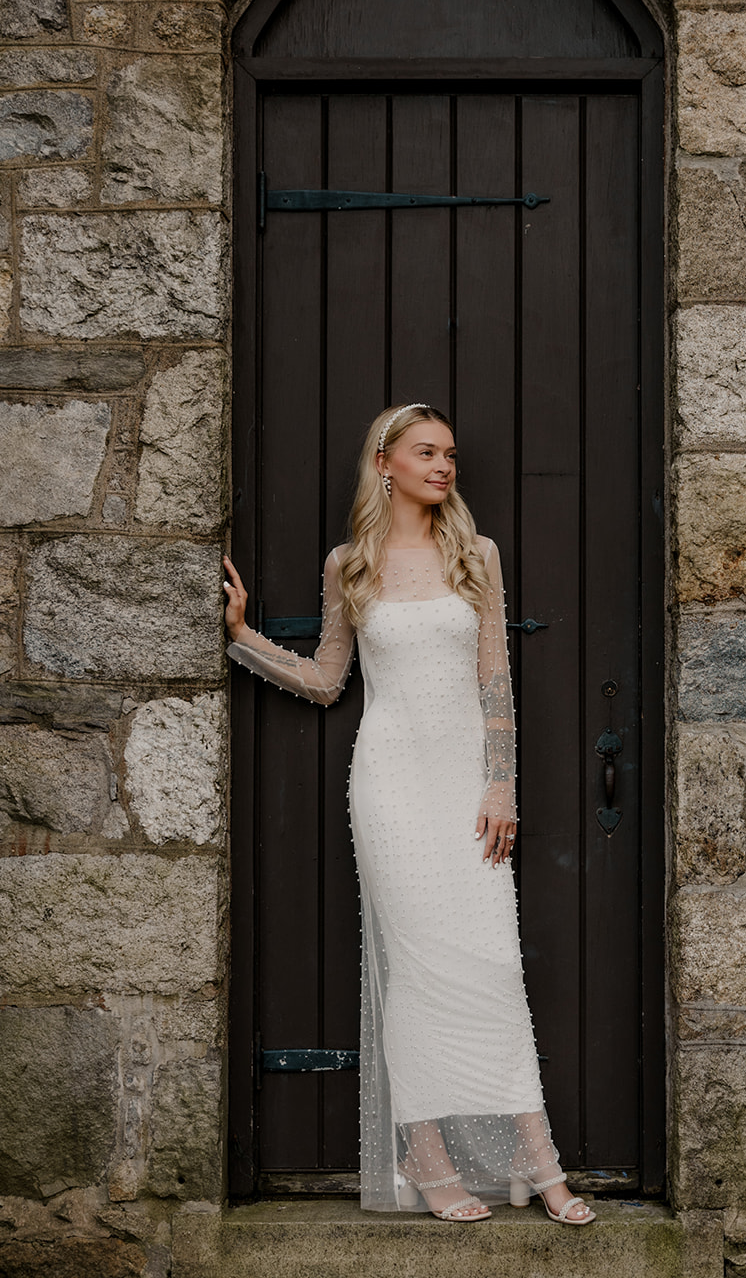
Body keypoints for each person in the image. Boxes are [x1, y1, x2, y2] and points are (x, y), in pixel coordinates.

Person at [223, 402, 595, 1227]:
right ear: (383, 462)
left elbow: (495, 682)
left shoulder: (476, 555)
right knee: (413, 970)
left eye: (451, 454)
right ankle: (427, 1164)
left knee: (493, 964)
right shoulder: (349, 564)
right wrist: (243, 636)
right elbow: (326, 680)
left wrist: (501, 785)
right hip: (387, 782)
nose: (444, 466)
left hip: (465, 783)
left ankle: (540, 1166)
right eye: (426, 452)